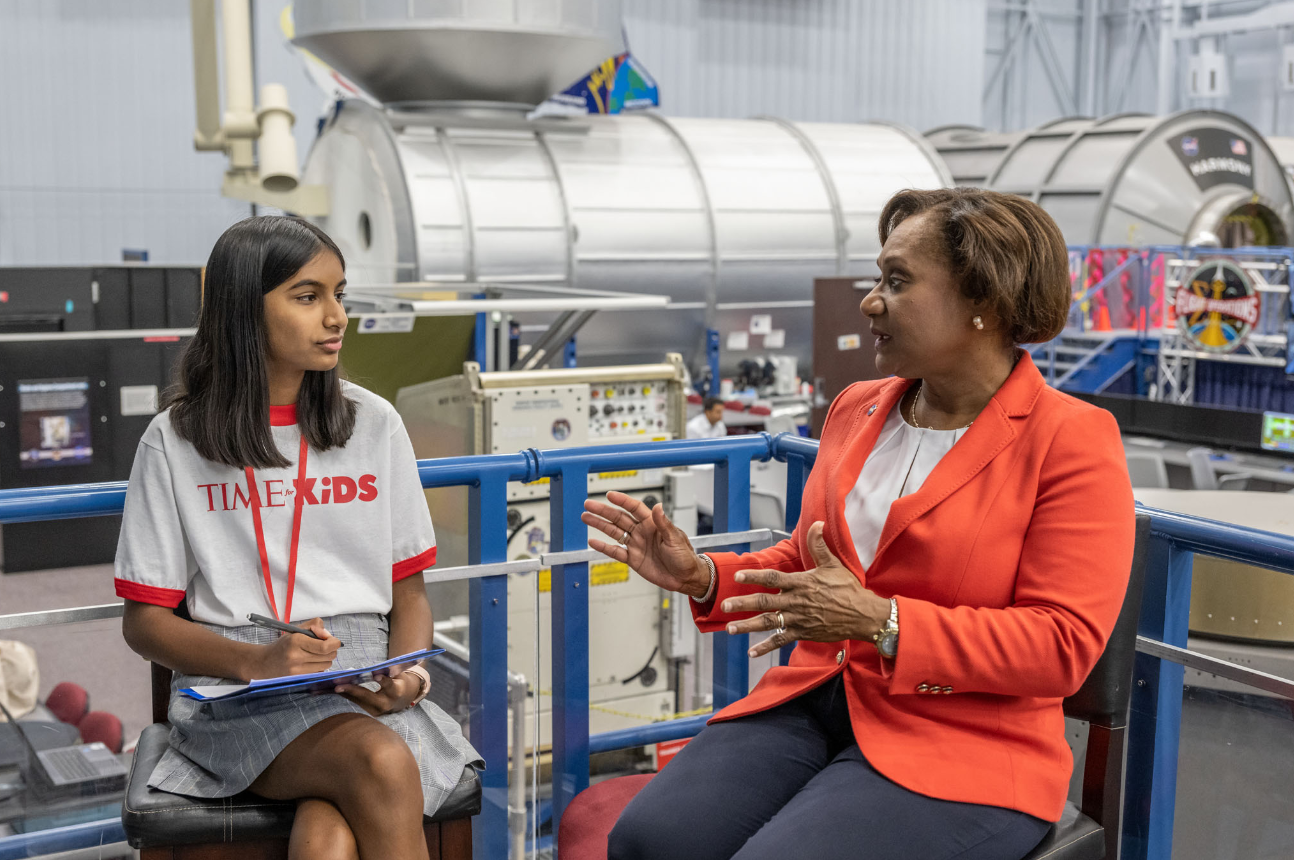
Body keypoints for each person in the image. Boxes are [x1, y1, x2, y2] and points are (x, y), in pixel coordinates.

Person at [583, 187, 1135, 860]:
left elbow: (1061, 646)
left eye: (896, 282)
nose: (870, 300)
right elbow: (812, 563)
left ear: (983, 303)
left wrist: (883, 622)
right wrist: (702, 577)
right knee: (650, 840)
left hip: (965, 743)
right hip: (819, 696)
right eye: (877, 278)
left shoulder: (1070, 440)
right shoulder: (856, 408)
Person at [116, 216, 479, 860]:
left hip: (363, 676)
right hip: (235, 689)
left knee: (327, 836)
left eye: (340, 294)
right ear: (241, 312)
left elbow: (411, 597)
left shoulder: (375, 424)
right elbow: (145, 624)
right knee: (377, 762)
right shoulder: (173, 441)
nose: (336, 316)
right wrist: (257, 661)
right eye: (308, 296)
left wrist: (408, 674)